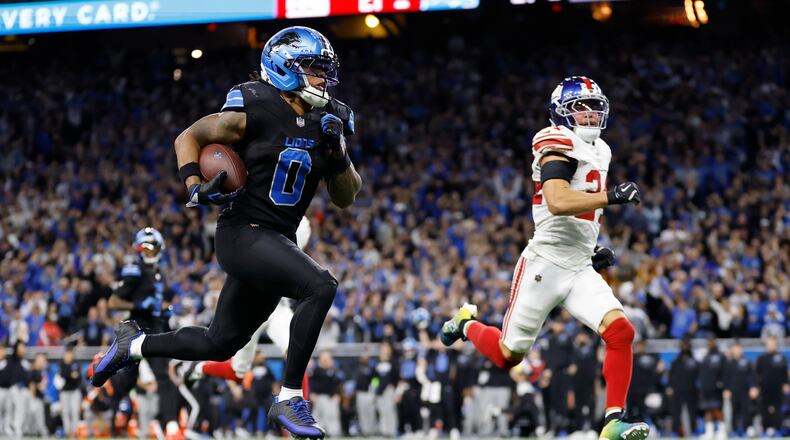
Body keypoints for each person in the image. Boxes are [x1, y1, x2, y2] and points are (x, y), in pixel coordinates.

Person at [88, 26, 361, 439]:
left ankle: (134, 345)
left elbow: (346, 196)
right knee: (320, 285)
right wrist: (194, 184)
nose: (324, 79)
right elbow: (190, 137)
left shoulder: (332, 118)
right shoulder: (256, 105)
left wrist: (338, 154)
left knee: (220, 344)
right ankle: (289, 397)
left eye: (326, 71)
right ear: (284, 67)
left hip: (275, 240)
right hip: (242, 233)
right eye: (314, 69)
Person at [439, 76, 647, 440]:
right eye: (580, 108)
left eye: (594, 106)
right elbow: (559, 201)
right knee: (508, 356)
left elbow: (583, 211)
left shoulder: (603, 149)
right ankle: (467, 325)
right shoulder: (554, 140)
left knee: (620, 331)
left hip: (577, 263)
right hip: (544, 263)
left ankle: (613, 420)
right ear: (561, 113)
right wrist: (613, 196)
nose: (590, 114)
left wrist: (589, 249)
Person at [175, 217, 311, 390]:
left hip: (278, 306)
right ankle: (200, 368)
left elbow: (301, 226)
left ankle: (300, 409)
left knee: (297, 353)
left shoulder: (287, 232)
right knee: (238, 373)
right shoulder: (256, 234)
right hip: (251, 307)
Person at [88, 227, 178, 431]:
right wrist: (137, 305)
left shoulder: (158, 273)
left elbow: (159, 301)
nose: (147, 251)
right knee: (127, 381)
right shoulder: (135, 270)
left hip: (155, 328)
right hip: (137, 329)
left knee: (163, 377)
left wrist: (163, 311)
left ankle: (171, 427)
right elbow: (113, 301)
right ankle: (113, 424)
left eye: (151, 247)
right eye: (143, 247)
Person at [755, 335, 789, 436]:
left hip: (778, 388)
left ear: (776, 344)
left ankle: (777, 429)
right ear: (766, 344)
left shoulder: (781, 357)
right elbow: (757, 374)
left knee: (778, 409)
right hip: (765, 388)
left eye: (774, 343)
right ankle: (765, 429)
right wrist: (756, 387)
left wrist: (786, 383)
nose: (772, 345)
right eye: (770, 343)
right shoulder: (761, 358)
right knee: (764, 409)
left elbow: (784, 373)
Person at [723, 341, 756, 436]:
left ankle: (746, 429)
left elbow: (752, 376)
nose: (737, 350)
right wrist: (726, 389)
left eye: (739, 348)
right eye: (735, 348)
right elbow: (726, 377)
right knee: (734, 411)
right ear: (732, 349)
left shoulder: (747, 361)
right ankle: (734, 430)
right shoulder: (729, 362)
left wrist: (753, 387)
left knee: (746, 410)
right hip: (733, 391)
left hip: (745, 391)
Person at [699, 337, 726, 439]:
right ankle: (709, 432)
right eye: (709, 342)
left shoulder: (720, 356)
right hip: (706, 388)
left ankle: (722, 431)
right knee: (707, 409)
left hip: (717, 388)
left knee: (717, 409)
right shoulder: (705, 356)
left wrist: (723, 385)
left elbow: (724, 372)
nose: (710, 344)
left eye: (712, 341)